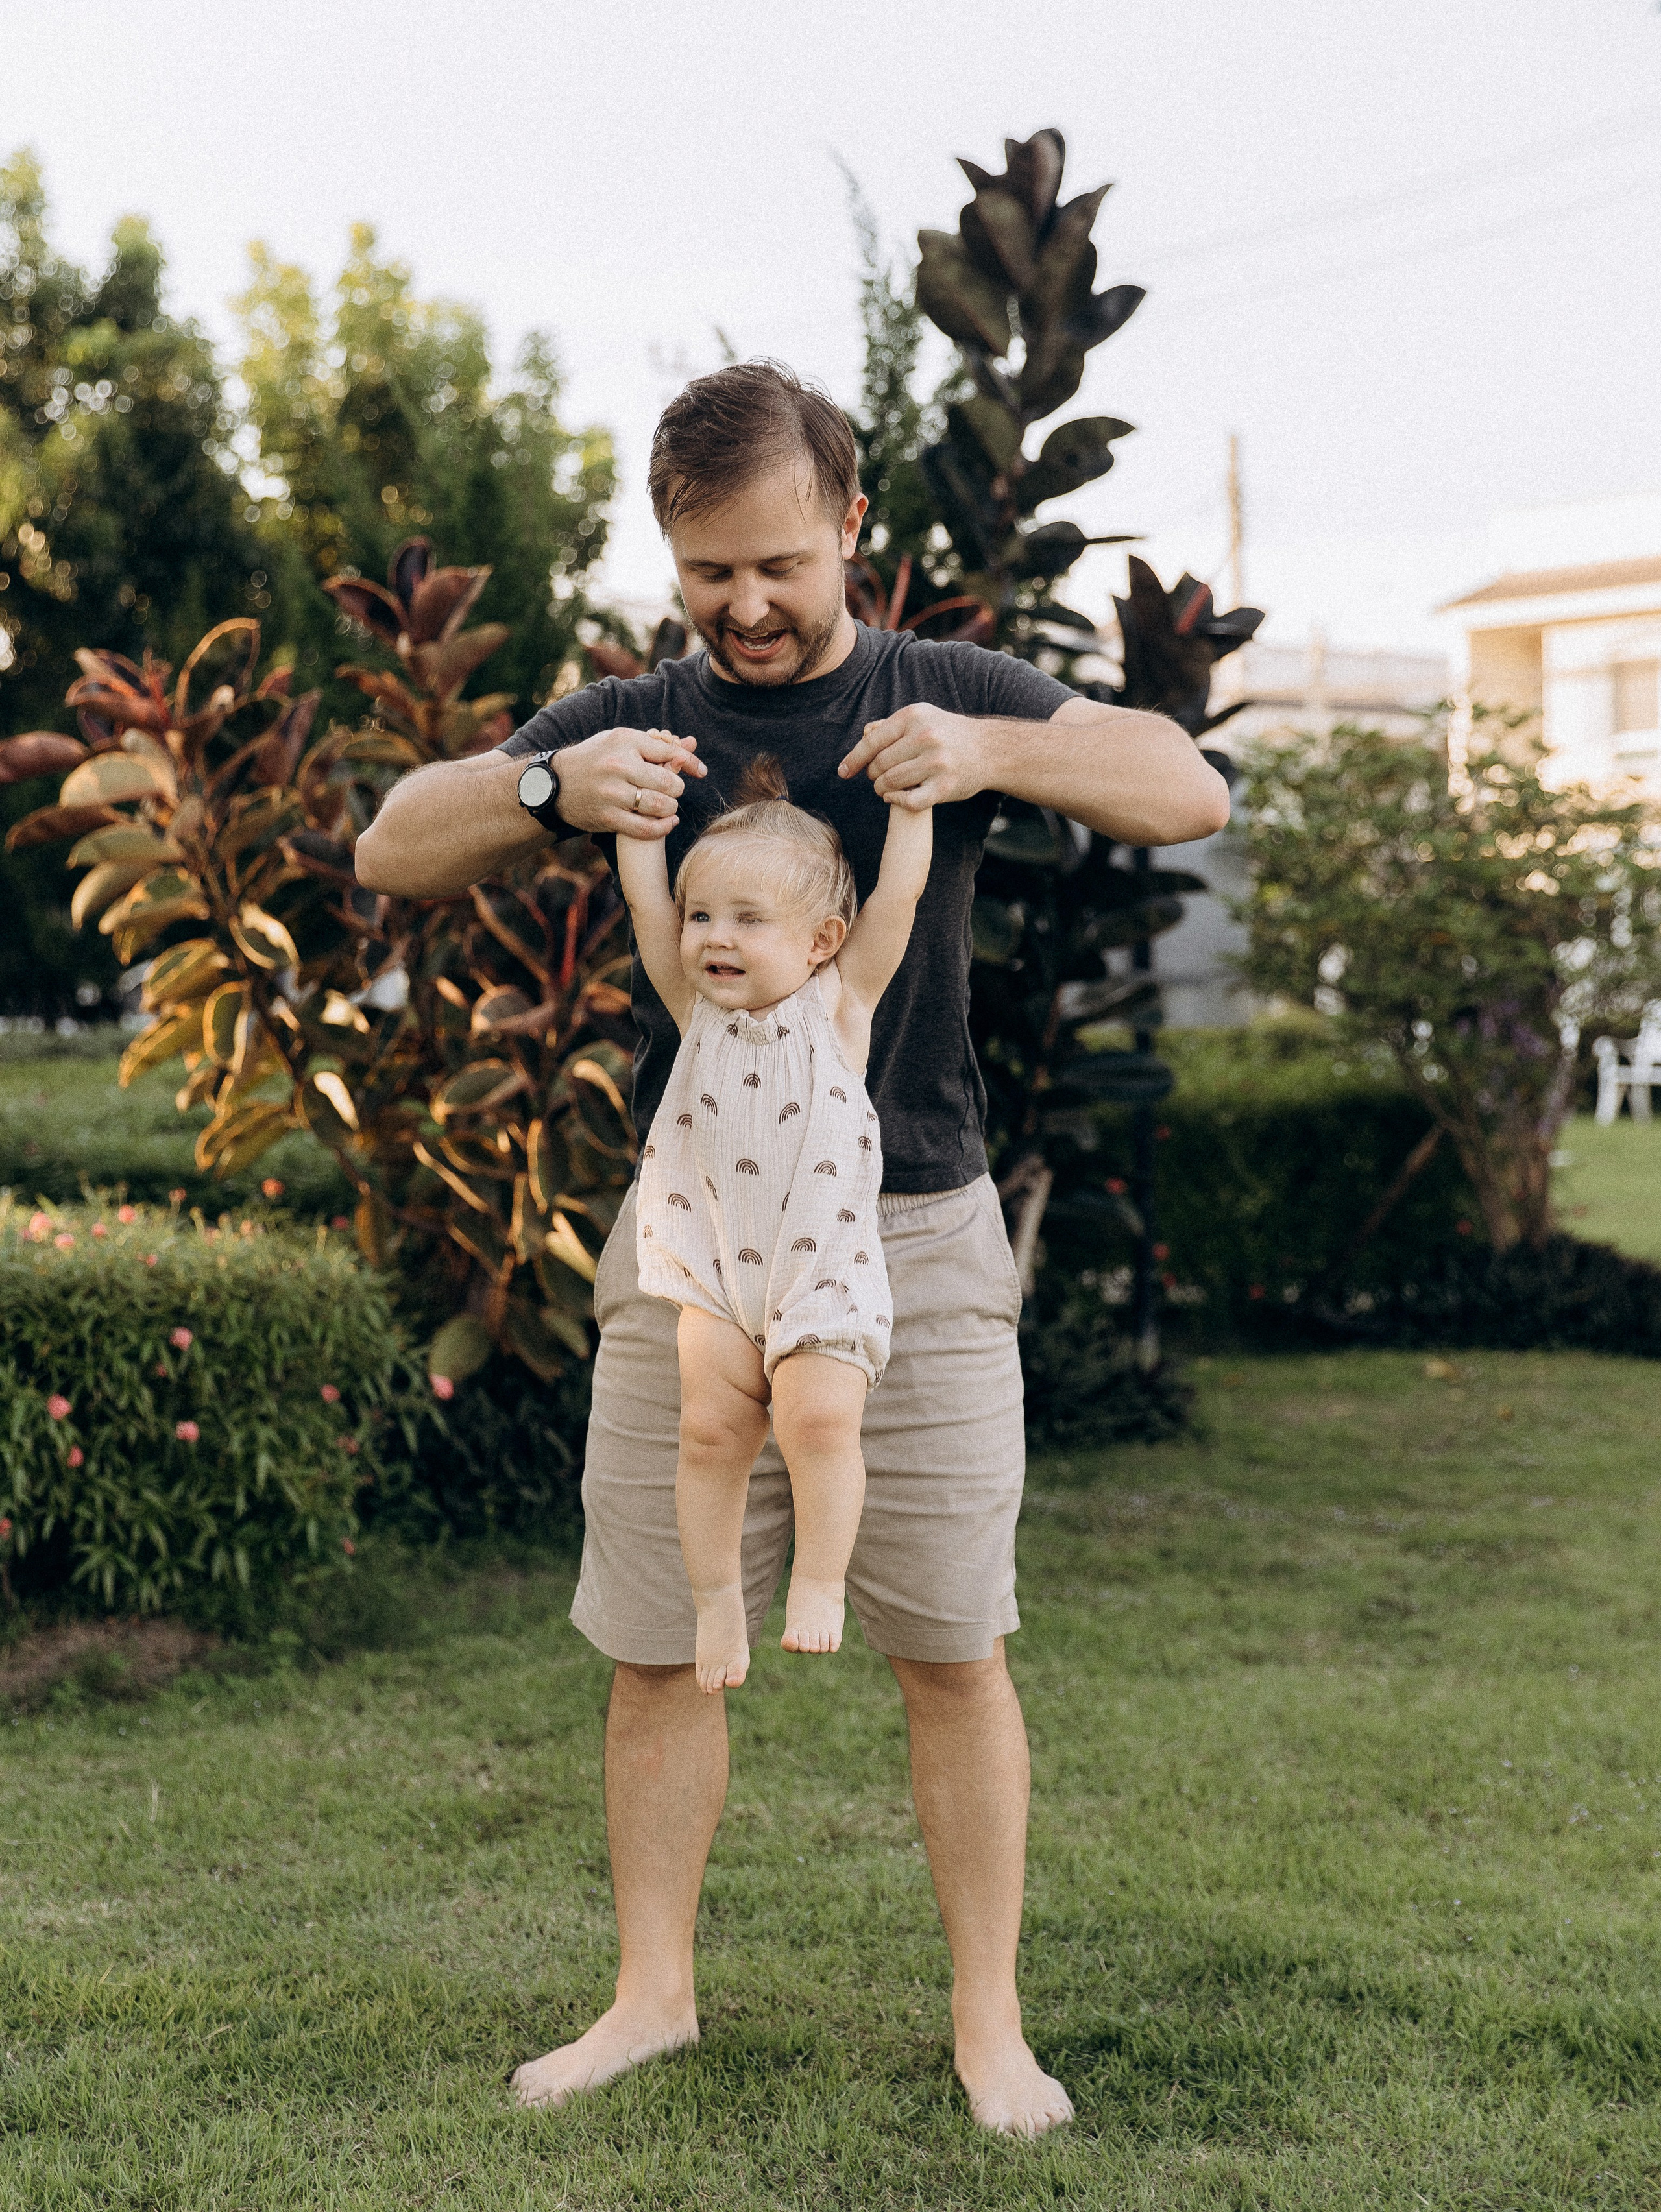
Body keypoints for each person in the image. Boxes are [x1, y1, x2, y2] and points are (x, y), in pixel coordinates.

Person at [356, 359, 1229, 2139]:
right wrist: (545, 788)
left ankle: (990, 2026)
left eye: (778, 565)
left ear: (850, 530)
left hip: (915, 1240)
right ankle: (650, 1997)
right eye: (707, 573)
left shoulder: (940, 689)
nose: (745, 608)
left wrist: (992, 753)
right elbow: (392, 844)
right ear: (671, 558)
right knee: (660, 1643)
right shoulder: (636, 716)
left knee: (955, 1648)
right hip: (696, 1249)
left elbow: (1181, 786)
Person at [617, 751, 932, 1693]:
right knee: (710, 1433)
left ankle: (822, 1579)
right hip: (713, 1269)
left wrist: (913, 808)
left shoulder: (838, 1005)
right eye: (704, 915)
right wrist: (638, 829)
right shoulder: (694, 1008)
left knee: (821, 1418)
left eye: (750, 920)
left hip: (820, 1270)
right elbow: (645, 908)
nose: (716, 936)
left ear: (822, 940)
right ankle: (717, 1598)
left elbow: (903, 899)